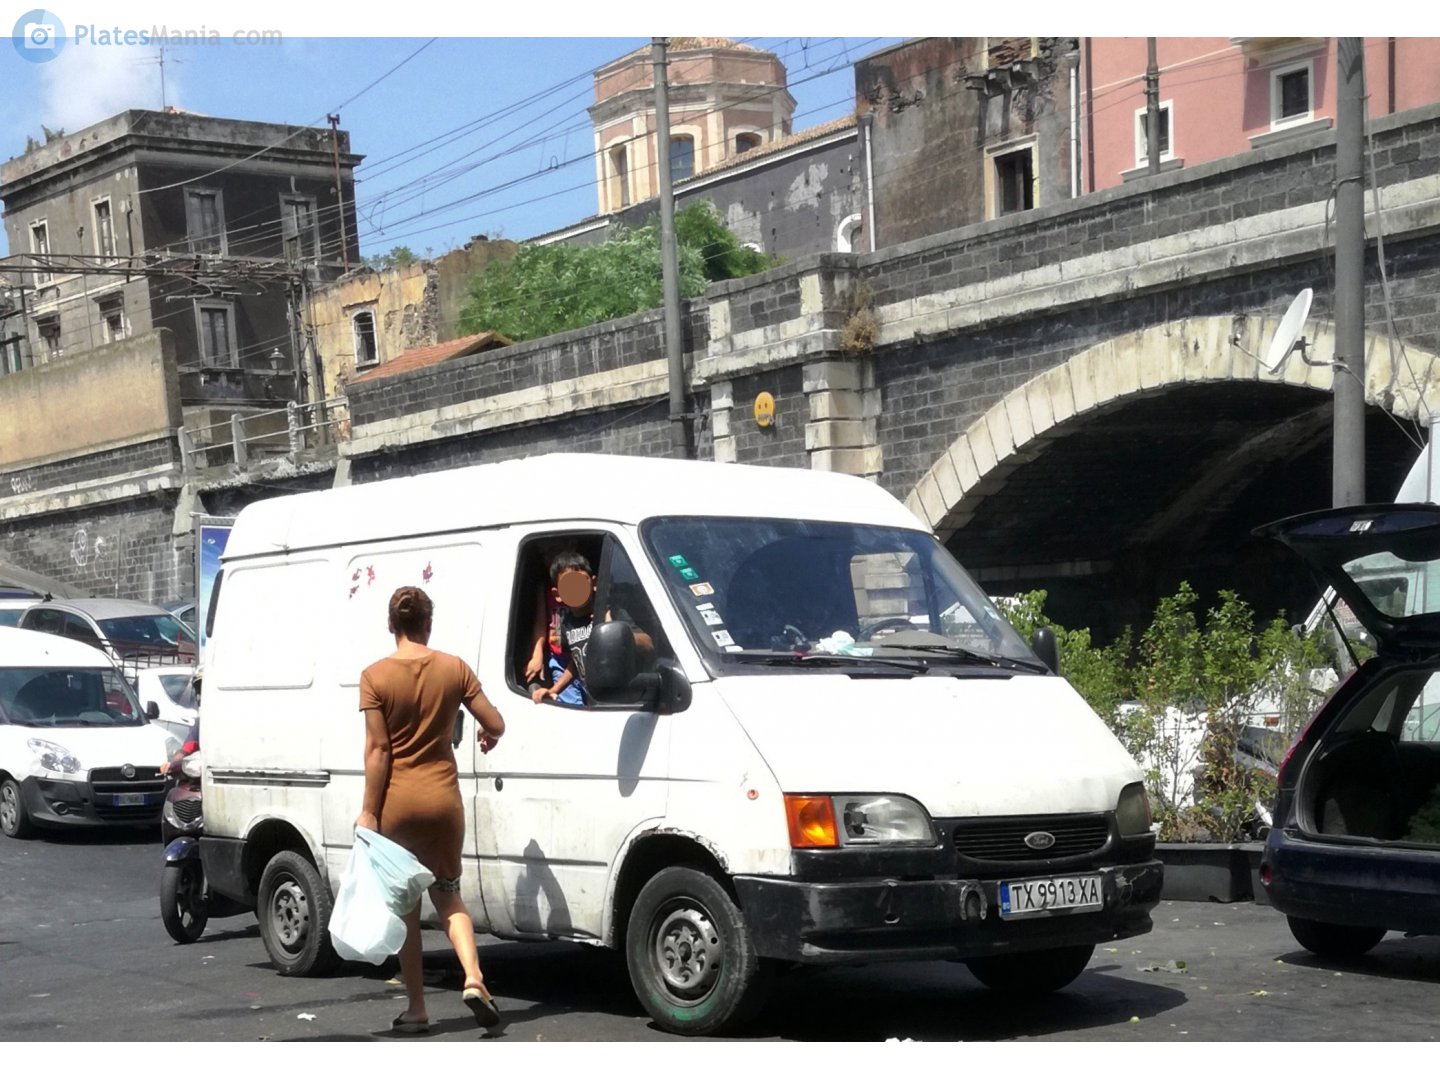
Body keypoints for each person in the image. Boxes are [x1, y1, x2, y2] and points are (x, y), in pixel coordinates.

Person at [355, 585, 506, 1034]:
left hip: (398, 806)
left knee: (406, 906)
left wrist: (368, 811)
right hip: (443, 801)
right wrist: (489, 735)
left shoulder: (374, 677)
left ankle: (418, 1008)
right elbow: (495, 722)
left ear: (391, 625)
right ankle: (475, 978)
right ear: (429, 623)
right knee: (448, 893)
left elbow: (378, 750)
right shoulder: (453, 668)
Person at [530, 551, 593, 706]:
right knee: (572, 708)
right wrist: (537, 652)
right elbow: (576, 661)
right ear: (557, 593)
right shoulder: (565, 624)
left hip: (594, 678)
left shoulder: (600, 615)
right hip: (560, 656)